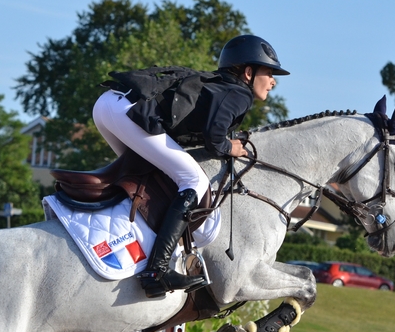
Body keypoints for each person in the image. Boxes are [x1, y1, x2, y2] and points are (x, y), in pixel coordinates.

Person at [93, 35, 289, 299]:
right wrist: (231, 147)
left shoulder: (217, 86)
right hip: (129, 112)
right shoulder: (239, 93)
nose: (274, 81)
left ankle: (123, 242)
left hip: (108, 104)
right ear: (248, 72)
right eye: (270, 73)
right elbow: (215, 138)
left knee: (151, 178)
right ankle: (156, 272)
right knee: (194, 182)